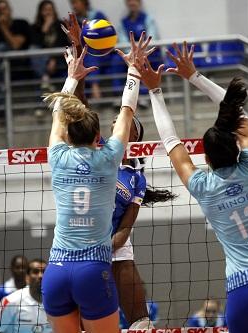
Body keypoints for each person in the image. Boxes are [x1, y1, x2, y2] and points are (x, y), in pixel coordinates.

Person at [131, 42, 248, 333]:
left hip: (243, 287)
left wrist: (155, 90)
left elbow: (170, 141)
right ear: (237, 149)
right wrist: (194, 76)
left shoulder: (203, 185)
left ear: (208, 159)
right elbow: (236, 112)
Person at [40, 25, 153, 331]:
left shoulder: (58, 156)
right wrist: (134, 71)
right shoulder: (108, 157)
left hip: (57, 269)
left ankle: (142, 320)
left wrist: (72, 74)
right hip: (93, 266)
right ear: (99, 136)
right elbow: (127, 109)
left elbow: (61, 114)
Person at [110, 116, 173, 329]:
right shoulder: (101, 150)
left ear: (135, 134)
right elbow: (82, 107)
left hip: (117, 242)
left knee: (141, 324)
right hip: (85, 239)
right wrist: (76, 82)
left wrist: (109, 246)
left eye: (121, 119)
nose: (114, 122)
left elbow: (127, 225)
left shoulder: (137, 178)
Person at [0, 259, 49, 333]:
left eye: (44, 272)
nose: (41, 276)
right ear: (27, 277)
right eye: (35, 272)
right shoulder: (11, 301)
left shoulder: (58, 302)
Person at [70, 0, 109, 99]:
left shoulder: (98, 15)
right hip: (86, 53)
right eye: (72, 3)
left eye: (75, 2)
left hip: (102, 50)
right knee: (88, 57)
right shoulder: (73, 20)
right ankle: (95, 89)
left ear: (84, 3)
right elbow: (72, 40)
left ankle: (96, 90)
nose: (73, 6)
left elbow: (108, 32)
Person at [30, 0, 69, 89]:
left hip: (59, 58)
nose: (48, 13)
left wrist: (53, 59)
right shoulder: (35, 27)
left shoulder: (61, 25)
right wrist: (45, 28)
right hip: (42, 61)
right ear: (40, 12)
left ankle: (45, 78)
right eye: (45, 10)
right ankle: (45, 76)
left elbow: (62, 44)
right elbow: (36, 45)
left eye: (50, 10)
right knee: (33, 49)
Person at [0, 255, 28, 327]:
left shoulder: (33, 289)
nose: (21, 270)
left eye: (24, 267)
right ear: (11, 269)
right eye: (17, 267)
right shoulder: (2, 290)